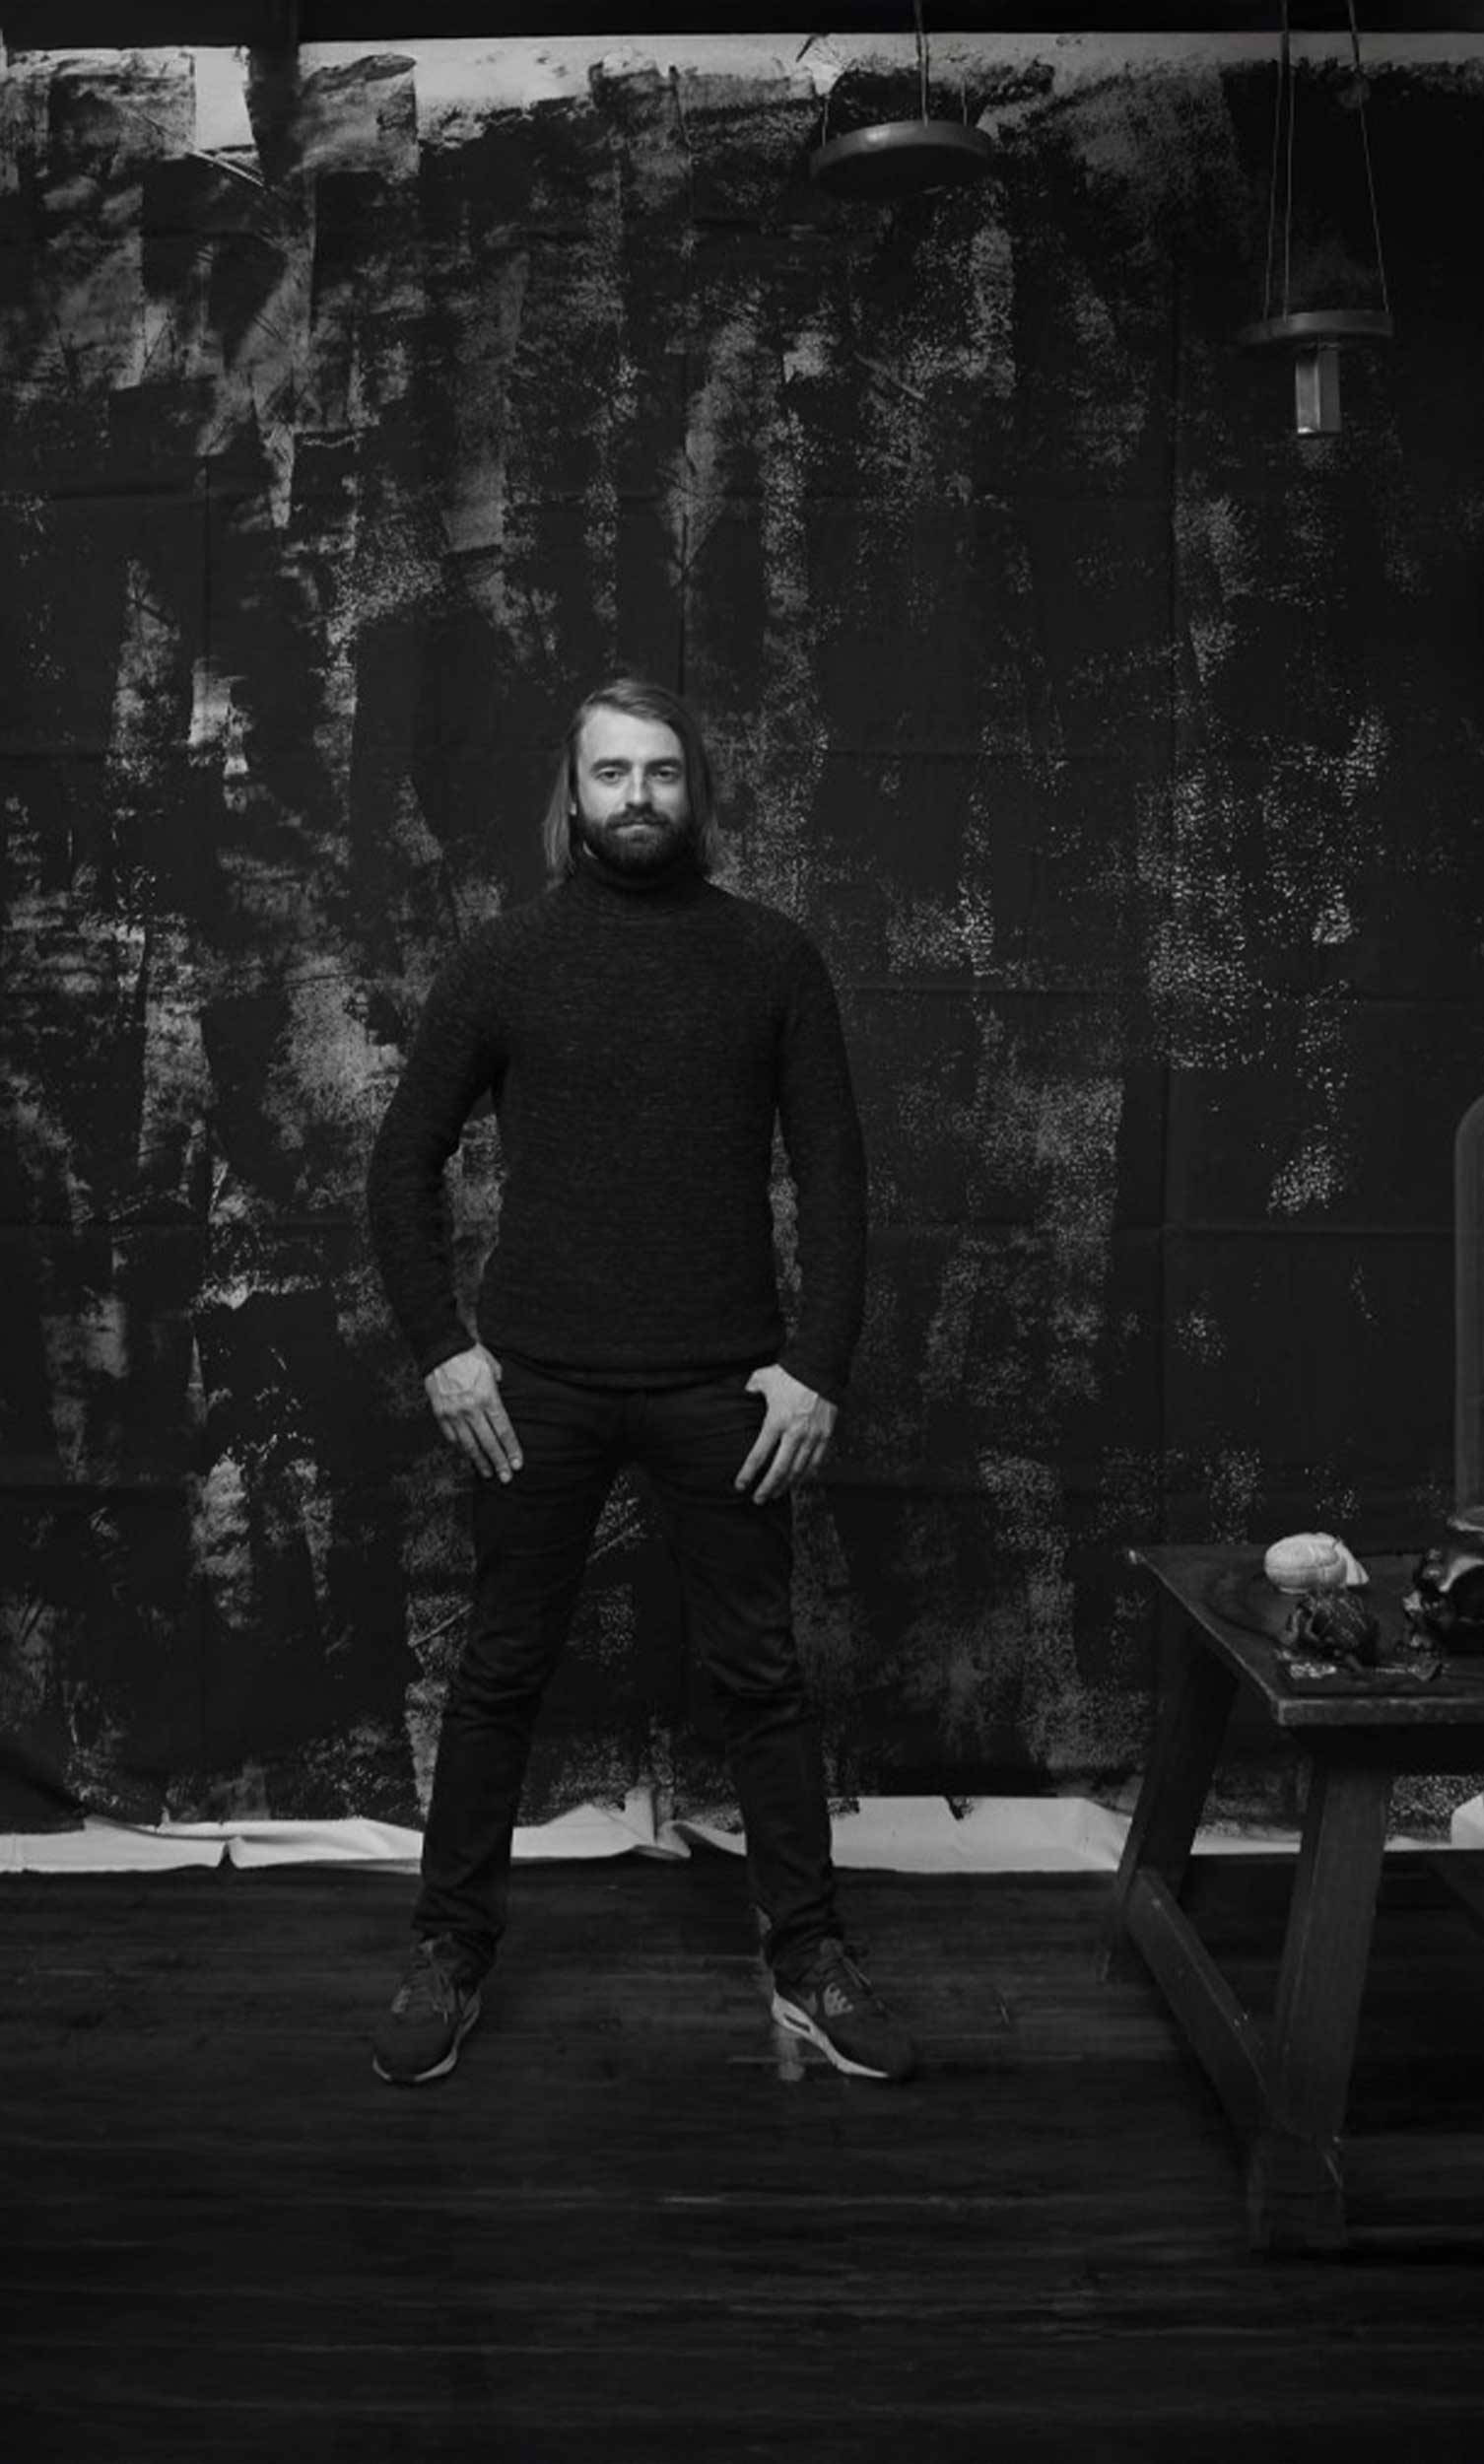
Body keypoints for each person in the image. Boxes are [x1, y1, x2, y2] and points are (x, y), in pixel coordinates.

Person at [363, 676, 918, 2087]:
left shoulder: (772, 957)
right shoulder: (506, 957)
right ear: (574, 793)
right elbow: (400, 1162)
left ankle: (810, 1957)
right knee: (499, 1671)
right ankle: (448, 1952)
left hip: (726, 1388)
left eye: (662, 772)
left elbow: (838, 1180)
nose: (637, 797)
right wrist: (442, 1351)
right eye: (611, 773)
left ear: (694, 791)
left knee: (763, 1678)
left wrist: (816, 1368)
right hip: (534, 1385)